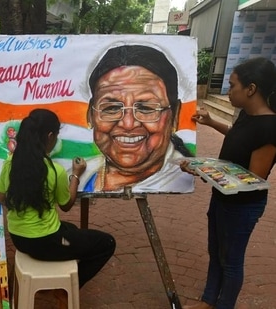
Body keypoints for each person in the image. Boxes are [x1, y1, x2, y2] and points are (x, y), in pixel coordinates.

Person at [181, 57, 276, 309]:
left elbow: (251, 180)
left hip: (243, 206)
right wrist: (211, 122)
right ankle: (208, 301)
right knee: (216, 252)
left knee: (231, 261)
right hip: (222, 198)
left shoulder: (270, 128)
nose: (229, 91)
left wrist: (205, 170)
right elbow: (237, 137)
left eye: (233, 85)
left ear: (251, 89)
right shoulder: (247, 115)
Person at [0, 109, 116, 296]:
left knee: (72, 231)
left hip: (19, 238)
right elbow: (66, 205)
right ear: (50, 136)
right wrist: (76, 174)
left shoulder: (11, 163)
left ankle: (59, 277)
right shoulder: (54, 171)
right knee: (106, 242)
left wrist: (21, 197)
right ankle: (67, 290)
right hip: (46, 242)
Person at [81, 44, 194, 192]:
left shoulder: (180, 180)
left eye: (146, 108)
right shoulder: (77, 174)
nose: (128, 124)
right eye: (112, 108)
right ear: (91, 114)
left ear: (175, 115)